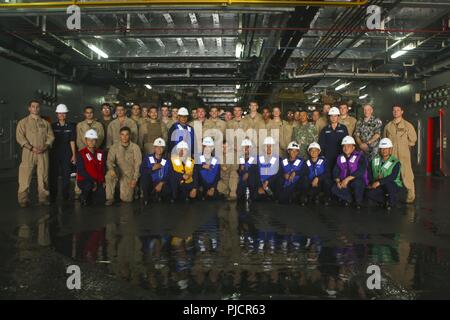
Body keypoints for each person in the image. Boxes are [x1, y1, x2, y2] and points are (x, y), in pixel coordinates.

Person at [16, 100, 55, 207]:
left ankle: (43, 198)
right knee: (25, 175)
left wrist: (46, 146)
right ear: (29, 108)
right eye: (33, 107)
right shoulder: (23, 122)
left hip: (43, 152)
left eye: (37, 107)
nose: (35, 108)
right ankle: (23, 200)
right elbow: (20, 137)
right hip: (28, 152)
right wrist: (31, 147)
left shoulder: (45, 123)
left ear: (39, 108)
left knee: (43, 176)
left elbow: (51, 136)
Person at [383, 104, 417, 203]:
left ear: (402, 112)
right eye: (394, 110)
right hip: (391, 155)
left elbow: (413, 139)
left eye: (398, 110)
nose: (395, 112)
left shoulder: (407, 125)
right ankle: (390, 194)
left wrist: (407, 145)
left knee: (407, 174)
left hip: (404, 154)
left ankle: (410, 194)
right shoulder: (388, 126)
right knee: (389, 173)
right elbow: (384, 140)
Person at [105, 127, 142, 205]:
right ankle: (110, 198)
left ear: (130, 136)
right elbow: (109, 160)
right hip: (118, 171)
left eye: (127, 135)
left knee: (127, 199)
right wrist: (111, 169)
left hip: (129, 174)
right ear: (119, 136)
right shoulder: (114, 147)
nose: (124, 137)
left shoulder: (135, 147)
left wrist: (135, 179)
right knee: (108, 175)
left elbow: (138, 164)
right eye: (122, 134)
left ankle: (134, 189)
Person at [331, 136, 368, 209]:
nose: (346, 148)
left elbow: (361, 170)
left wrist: (347, 179)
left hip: (357, 180)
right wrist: (338, 181)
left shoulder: (360, 156)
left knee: (357, 183)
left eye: (348, 146)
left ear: (353, 147)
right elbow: (336, 170)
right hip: (344, 182)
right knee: (333, 188)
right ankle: (349, 199)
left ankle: (358, 202)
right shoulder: (340, 157)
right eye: (344, 146)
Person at [49, 104, 76, 202]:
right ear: (57, 114)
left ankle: (65, 195)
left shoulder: (71, 127)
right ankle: (53, 195)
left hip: (66, 153)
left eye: (64, 113)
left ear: (66, 114)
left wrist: (73, 154)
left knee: (66, 174)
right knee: (53, 175)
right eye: (60, 113)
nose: (62, 115)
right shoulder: (52, 126)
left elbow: (72, 141)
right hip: (54, 153)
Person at [367, 138, 403, 210]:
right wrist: (372, 183)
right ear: (380, 149)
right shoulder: (374, 160)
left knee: (389, 184)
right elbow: (369, 173)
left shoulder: (395, 162)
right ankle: (386, 201)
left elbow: (393, 177)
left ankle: (392, 203)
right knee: (368, 193)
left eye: (386, 148)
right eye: (382, 148)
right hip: (378, 184)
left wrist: (379, 182)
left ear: (390, 149)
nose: (384, 151)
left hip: (393, 185)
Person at [76, 129, 106, 206]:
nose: (91, 142)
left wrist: (103, 181)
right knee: (88, 185)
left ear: (96, 141)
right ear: (86, 141)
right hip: (85, 180)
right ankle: (83, 197)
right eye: (89, 140)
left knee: (101, 199)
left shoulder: (101, 153)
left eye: (93, 140)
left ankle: (91, 195)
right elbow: (81, 171)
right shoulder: (81, 153)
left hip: (98, 180)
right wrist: (93, 181)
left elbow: (103, 168)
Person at [140, 138, 170, 206]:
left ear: (164, 149)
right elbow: (142, 170)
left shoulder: (166, 160)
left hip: (161, 183)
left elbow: (169, 173)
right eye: (157, 147)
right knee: (144, 178)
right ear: (154, 148)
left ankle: (159, 196)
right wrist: (152, 169)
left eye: (161, 147)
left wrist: (161, 183)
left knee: (169, 188)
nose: (159, 149)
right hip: (151, 182)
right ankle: (146, 198)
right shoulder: (148, 158)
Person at [256, 136, 280, 201]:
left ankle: (270, 194)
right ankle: (264, 193)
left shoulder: (278, 159)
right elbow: (256, 173)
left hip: (271, 183)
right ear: (264, 147)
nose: (269, 148)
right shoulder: (258, 158)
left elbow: (278, 174)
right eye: (267, 146)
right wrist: (260, 186)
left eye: (271, 146)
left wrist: (267, 181)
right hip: (260, 184)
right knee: (255, 197)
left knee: (273, 197)